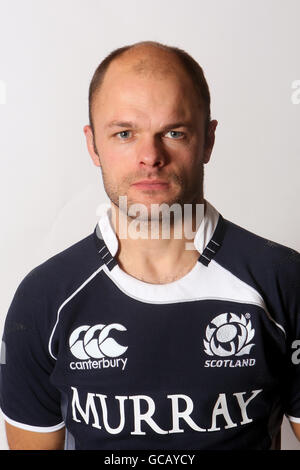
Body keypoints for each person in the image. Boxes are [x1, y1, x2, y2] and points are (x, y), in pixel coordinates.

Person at [0, 40, 299, 451]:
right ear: (93, 145)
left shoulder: (283, 280)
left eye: (174, 132)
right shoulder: (43, 298)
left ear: (208, 140)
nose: (150, 156)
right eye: (124, 133)